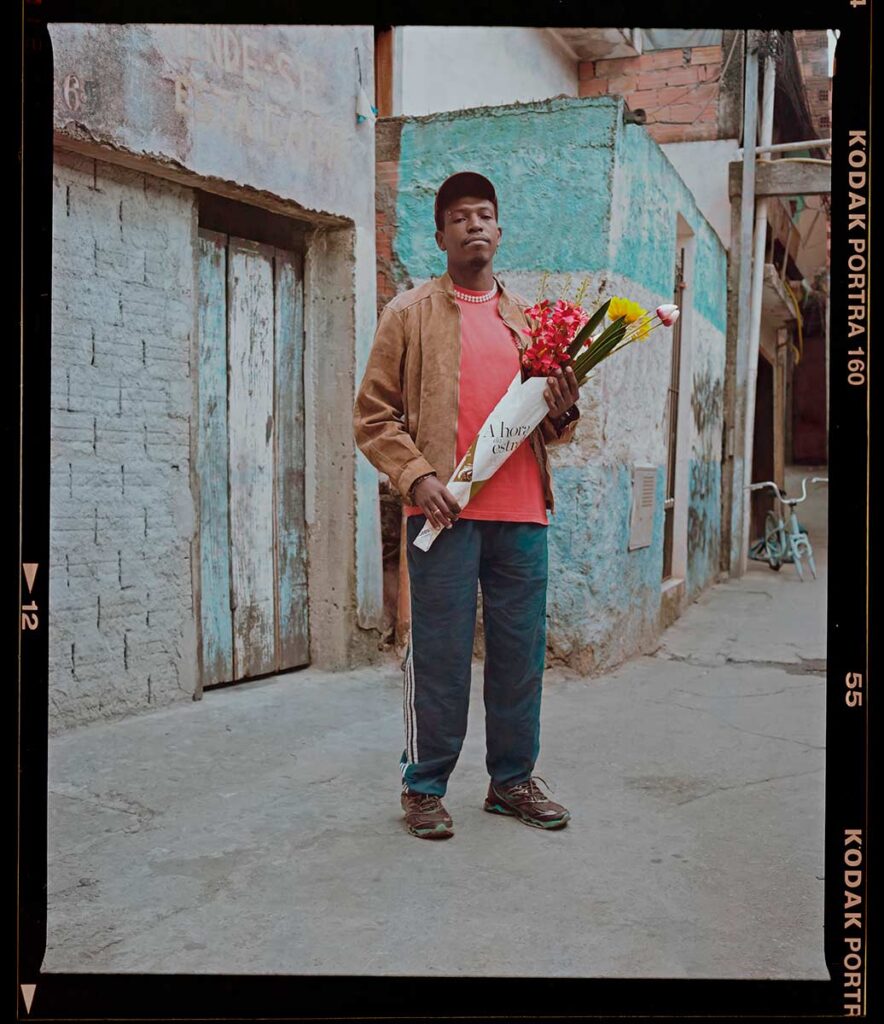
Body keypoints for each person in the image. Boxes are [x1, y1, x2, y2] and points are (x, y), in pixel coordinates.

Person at [353, 171, 581, 839]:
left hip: (522, 517)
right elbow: (373, 417)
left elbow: (551, 423)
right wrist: (417, 478)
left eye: (485, 215)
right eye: (460, 217)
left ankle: (511, 781)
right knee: (442, 656)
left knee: (519, 656)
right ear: (441, 235)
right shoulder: (409, 314)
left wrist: (563, 407)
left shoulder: (530, 322)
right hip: (444, 514)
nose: (474, 225)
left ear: (500, 232)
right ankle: (423, 786)